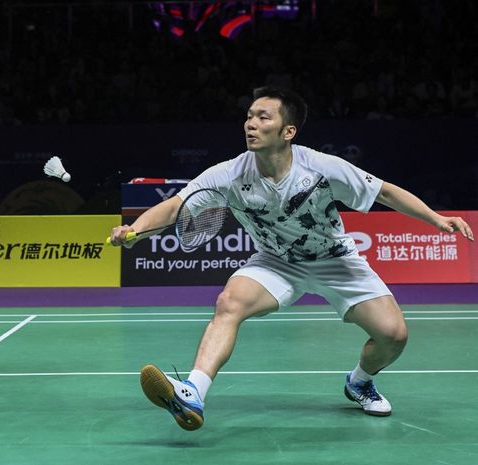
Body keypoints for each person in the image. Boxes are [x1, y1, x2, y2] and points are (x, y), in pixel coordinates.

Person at [109, 86, 474, 430]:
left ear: (288, 131)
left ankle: (360, 383)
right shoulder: (228, 174)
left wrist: (437, 218)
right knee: (229, 303)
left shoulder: (321, 168)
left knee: (393, 335)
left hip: (335, 260)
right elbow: (175, 206)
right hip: (275, 262)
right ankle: (193, 393)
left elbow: (386, 193)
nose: (252, 123)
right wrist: (134, 231)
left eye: (264, 117)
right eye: (249, 116)